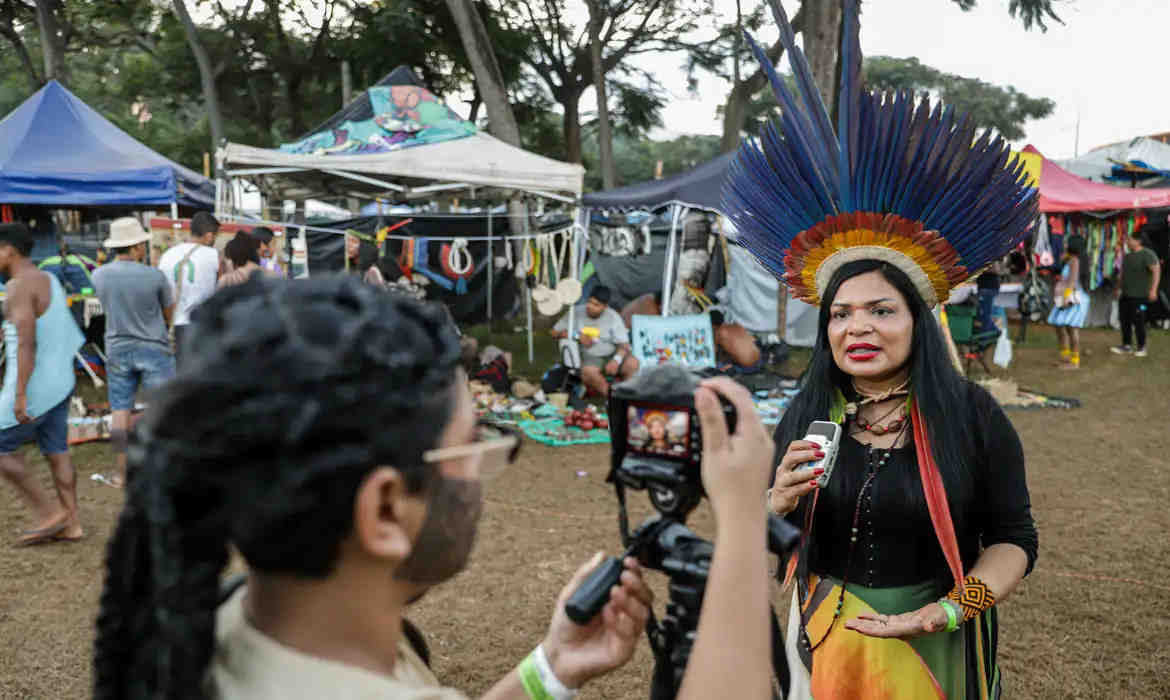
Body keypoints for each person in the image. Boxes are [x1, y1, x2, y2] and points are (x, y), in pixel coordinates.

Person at [92, 276, 778, 700]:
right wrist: (745, 518)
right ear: (385, 510)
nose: (484, 473)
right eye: (472, 446)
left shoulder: (229, 623)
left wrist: (553, 668)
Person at [723, 1, 1038, 695]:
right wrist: (769, 505)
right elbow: (750, 554)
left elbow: (1015, 540)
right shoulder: (806, 415)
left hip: (936, 653)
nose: (856, 328)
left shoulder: (973, 415)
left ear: (918, 321)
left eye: (880, 310)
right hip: (823, 643)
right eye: (840, 314)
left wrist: (951, 609)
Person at [0, 223, 85, 545]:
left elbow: (26, 343)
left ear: (9, 250)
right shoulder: (48, 279)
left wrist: (20, 394)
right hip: (60, 380)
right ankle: (72, 523)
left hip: (34, 385)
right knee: (57, 452)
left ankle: (49, 514)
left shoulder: (19, 285)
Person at [91, 217, 176, 489]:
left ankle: (122, 473)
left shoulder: (99, 275)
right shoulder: (155, 276)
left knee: (120, 411)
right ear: (138, 246)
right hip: (153, 347)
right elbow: (168, 314)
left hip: (117, 347)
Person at [551, 286, 638, 398]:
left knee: (633, 363)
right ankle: (614, 398)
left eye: (596, 305)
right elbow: (554, 331)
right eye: (590, 302)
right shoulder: (577, 312)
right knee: (588, 372)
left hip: (611, 353)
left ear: (605, 307)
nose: (590, 307)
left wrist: (616, 360)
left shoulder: (612, 316)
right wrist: (576, 335)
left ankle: (629, 395)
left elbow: (624, 344)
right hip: (590, 356)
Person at [158, 211, 220, 358]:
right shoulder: (213, 255)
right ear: (210, 235)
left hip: (173, 327)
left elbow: (161, 291)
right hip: (201, 327)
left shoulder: (168, 254)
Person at [1111, 231, 1161, 358]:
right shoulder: (1127, 256)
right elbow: (1122, 274)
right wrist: (1118, 288)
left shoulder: (1147, 254)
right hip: (1126, 295)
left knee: (1139, 320)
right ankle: (1126, 345)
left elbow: (1156, 271)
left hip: (1141, 296)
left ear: (1138, 241)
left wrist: (1153, 290)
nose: (1127, 242)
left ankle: (1141, 347)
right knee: (1124, 320)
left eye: (1129, 239)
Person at [1047, 235, 1089, 369]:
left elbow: (1072, 280)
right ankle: (1065, 356)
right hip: (1066, 297)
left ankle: (1074, 361)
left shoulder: (1075, 260)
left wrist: (1066, 296)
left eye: (1066, 243)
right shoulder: (1070, 259)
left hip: (1072, 298)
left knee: (1071, 328)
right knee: (1059, 326)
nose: (1064, 244)